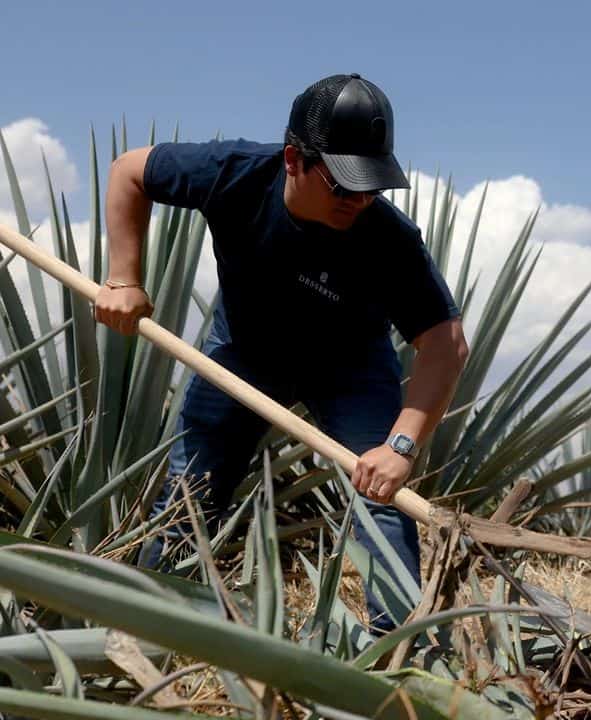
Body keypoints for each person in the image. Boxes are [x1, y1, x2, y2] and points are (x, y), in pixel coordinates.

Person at [95, 73, 468, 635]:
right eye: (344, 185)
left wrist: (401, 445)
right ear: (295, 158)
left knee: (382, 498)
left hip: (350, 368)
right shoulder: (237, 173)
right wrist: (123, 278)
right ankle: (149, 635)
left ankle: (398, 655)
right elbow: (130, 170)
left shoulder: (389, 240)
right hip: (243, 352)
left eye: (373, 186)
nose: (360, 201)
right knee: (187, 498)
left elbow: (445, 343)